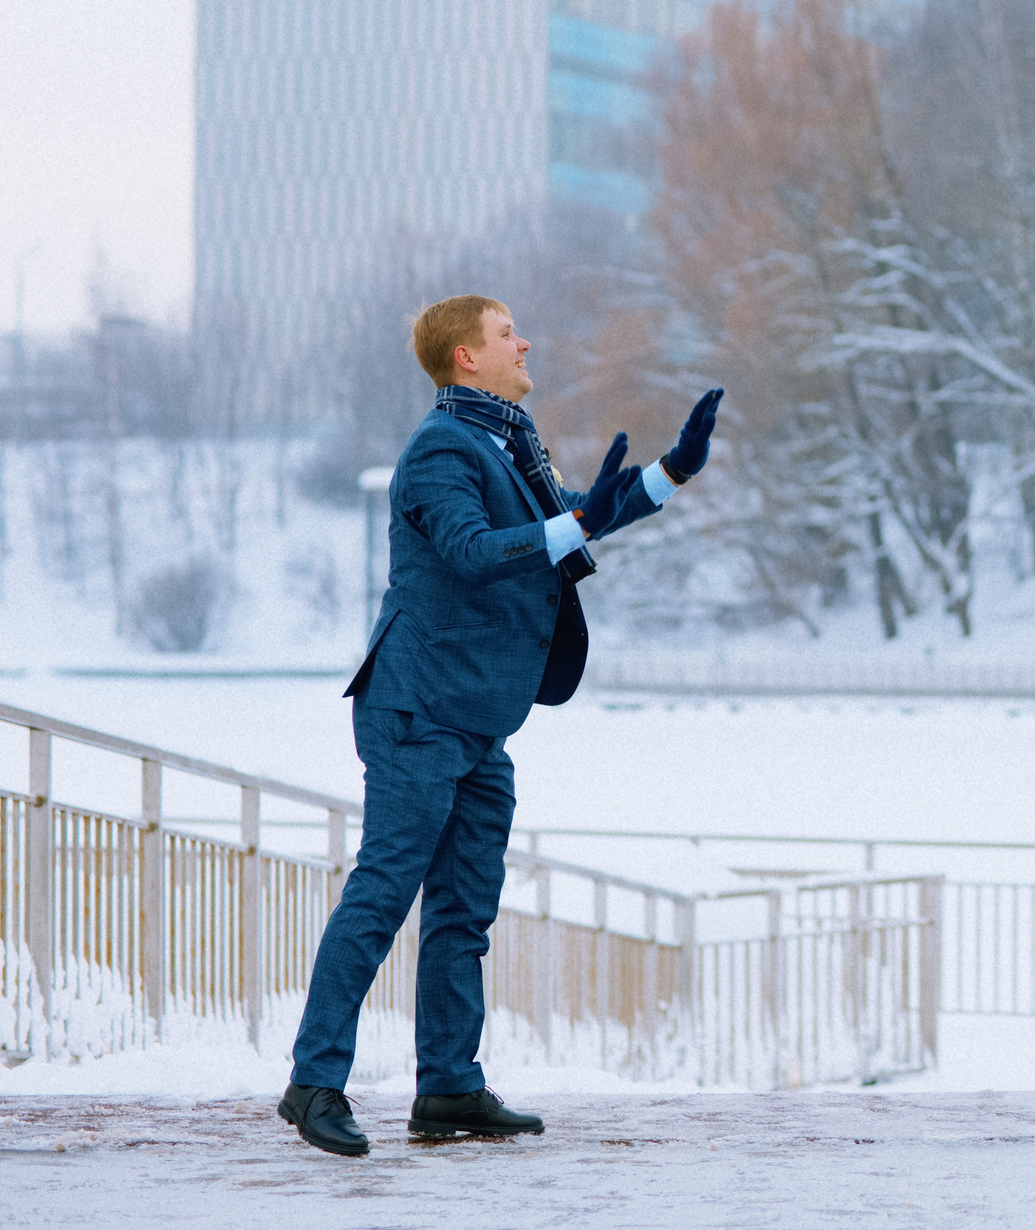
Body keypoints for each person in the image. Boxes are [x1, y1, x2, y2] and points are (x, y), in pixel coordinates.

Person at [277, 295, 723, 1157]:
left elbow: (573, 517)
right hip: (418, 710)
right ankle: (313, 1080)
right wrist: (576, 519)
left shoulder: (503, 442)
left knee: (462, 911)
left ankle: (447, 1087)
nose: (526, 340)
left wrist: (670, 472)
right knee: (382, 894)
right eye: (507, 331)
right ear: (466, 358)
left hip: (479, 719)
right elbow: (475, 550)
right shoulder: (441, 448)